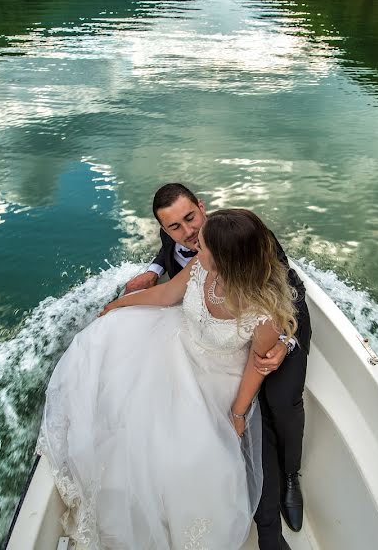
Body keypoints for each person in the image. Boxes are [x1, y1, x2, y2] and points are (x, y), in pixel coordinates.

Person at [37, 209, 298, 549]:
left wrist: (237, 413)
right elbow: (166, 295)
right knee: (112, 355)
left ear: (225, 260)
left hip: (216, 375)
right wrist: (121, 304)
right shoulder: (200, 266)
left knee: (185, 452)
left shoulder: (263, 315)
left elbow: (256, 367)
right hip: (174, 341)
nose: (195, 249)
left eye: (202, 246)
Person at [124, 184, 312, 550]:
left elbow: (287, 299)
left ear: (201, 208)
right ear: (166, 230)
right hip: (198, 340)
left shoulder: (246, 240)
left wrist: (285, 344)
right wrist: (146, 276)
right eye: (175, 227)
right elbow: (169, 278)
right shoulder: (192, 248)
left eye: (191, 220)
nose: (188, 235)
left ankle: (286, 483)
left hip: (276, 331)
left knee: (277, 405)